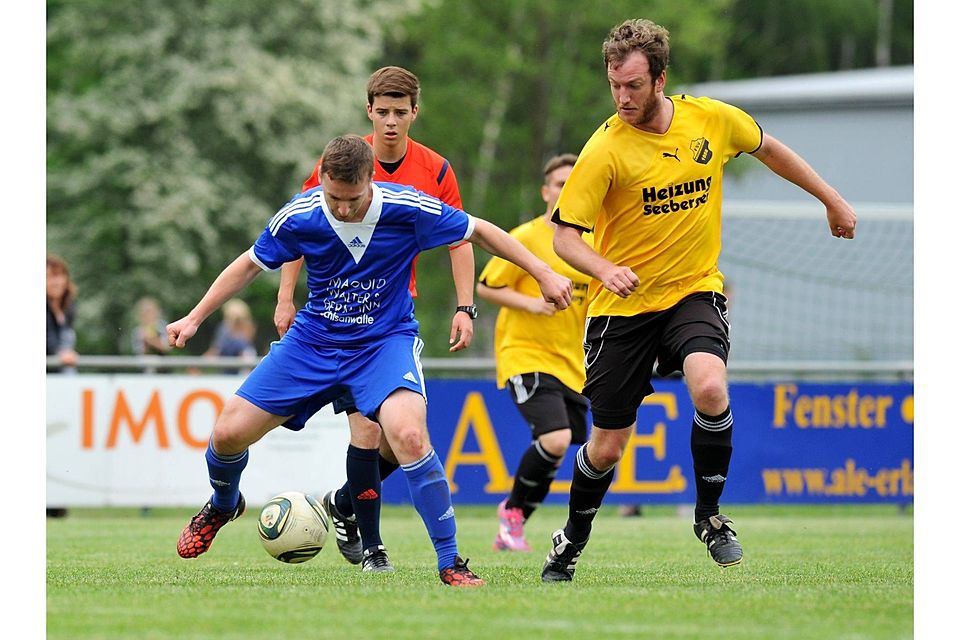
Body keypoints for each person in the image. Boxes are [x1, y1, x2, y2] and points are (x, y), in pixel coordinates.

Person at [169, 134, 572, 588]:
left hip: (384, 342)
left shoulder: (408, 207)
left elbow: (477, 231)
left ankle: (451, 561)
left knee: (409, 435)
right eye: (333, 197)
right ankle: (224, 504)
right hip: (313, 343)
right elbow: (247, 265)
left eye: (353, 198)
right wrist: (196, 316)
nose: (342, 208)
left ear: (370, 180)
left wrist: (542, 272)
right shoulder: (300, 214)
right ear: (321, 181)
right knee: (226, 434)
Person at [541, 18, 857, 582]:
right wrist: (603, 267)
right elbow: (565, 235)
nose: (622, 96)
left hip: (693, 289)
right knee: (608, 446)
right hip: (622, 307)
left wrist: (831, 199)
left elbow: (770, 149)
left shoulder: (711, 119)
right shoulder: (605, 148)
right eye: (614, 84)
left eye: (633, 85)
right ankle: (571, 540)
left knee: (709, 386)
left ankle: (710, 517)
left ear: (661, 78)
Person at [274, 66, 476, 573]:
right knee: (365, 430)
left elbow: (461, 237)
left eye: (399, 112)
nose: (390, 121)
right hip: (342, 317)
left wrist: (464, 306)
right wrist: (284, 297)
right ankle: (373, 547)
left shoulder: (436, 169)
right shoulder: (343, 161)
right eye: (381, 111)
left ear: (414, 112)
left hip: (394, 316)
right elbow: (299, 228)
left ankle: (344, 504)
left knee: (396, 437)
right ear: (369, 110)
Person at [476, 153, 592, 552]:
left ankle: (514, 519)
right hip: (525, 353)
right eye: (558, 184)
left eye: (571, 183)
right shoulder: (525, 237)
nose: (564, 190)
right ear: (546, 191)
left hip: (572, 363)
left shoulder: (592, 242)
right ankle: (512, 517)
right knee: (556, 438)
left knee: (561, 448)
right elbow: (486, 286)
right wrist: (531, 304)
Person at [205, 298, 258, 374]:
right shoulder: (224, 328)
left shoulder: (248, 326)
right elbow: (216, 349)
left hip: (240, 366)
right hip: (226, 366)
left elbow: (245, 348)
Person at [46, 254, 78, 375]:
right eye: (49, 277)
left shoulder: (69, 308)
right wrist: (59, 353)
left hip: (65, 373)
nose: (56, 282)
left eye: (58, 276)